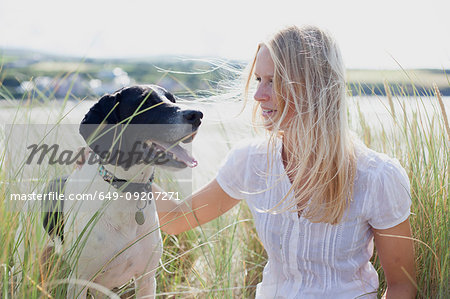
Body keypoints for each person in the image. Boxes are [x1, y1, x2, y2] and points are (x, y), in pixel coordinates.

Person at [156, 25, 417, 298]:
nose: (258, 95)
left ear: (314, 86)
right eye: (258, 80)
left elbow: (401, 285)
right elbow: (176, 220)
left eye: (273, 81)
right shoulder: (249, 161)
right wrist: (119, 169)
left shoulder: (377, 176)